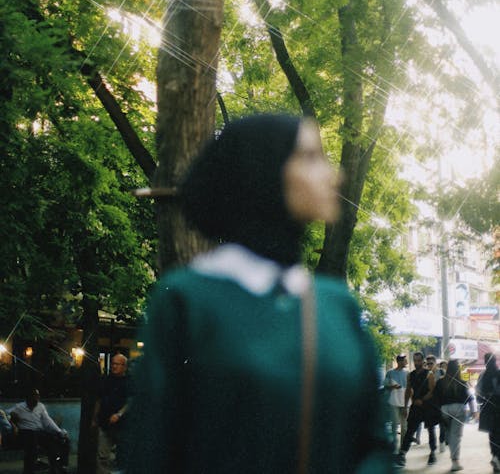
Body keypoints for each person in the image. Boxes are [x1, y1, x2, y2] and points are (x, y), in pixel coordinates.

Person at [125, 114, 393, 474]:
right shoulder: (186, 300)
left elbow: (374, 445)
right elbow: (152, 452)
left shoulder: (336, 303)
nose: (335, 174)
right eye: (312, 157)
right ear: (264, 168)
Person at [9, 389, 69, 474]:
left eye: (38, 396)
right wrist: (13, 423)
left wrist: (59, 432)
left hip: (39, 432)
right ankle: (34, 464)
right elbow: (6, 415)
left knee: (58, 440)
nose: (37, 398)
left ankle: (58, 466)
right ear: (28, 398)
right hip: (25, 433)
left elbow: (48, 421)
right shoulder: (19, 407)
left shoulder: (40, 406)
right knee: (32, 437)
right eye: (34, 396)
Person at [395, 351, 437, 468]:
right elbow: (408, 391)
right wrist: (405, 406)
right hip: (415, 406)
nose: (416, 363)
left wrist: (422, 400)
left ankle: (432, 453)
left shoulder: (429, 374)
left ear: (422, 361)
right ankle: (402, 454)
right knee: (410, 430)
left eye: (419, 360)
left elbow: (432, 391)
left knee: (431, 430)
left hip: (427, 405)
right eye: (415, 360)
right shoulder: (411, 375)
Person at [433, 359, 476, 471]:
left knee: (449, 433)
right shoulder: (462, 381)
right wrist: (474, 411)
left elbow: (435, 398)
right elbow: (470, 398)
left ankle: (448, 442)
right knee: (456, 436)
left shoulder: (441, 382)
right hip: (459, 409)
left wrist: (439, 411)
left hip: (445, 410)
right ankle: (455, 461)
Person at [92, 353, 129, 474]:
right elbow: (99, 399)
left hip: (122, 425)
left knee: (123, 456)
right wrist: (94, 418)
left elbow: (131, 401)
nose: (114, 366)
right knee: (102, 457)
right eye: (113, 363)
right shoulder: (105, 380)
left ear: (124, 366)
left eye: (117, 364)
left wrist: (119, 414)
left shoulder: (129, 381)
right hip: (104, 423)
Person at [477, 353, 500, 472]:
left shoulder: (482, 375)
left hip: (488, 409)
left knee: (492, 434)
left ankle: (495, 455)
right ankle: (497, 457)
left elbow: (478, 394)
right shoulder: (499, 373)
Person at [384, 354, 408, 452]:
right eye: (404, 360)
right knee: (394, 424)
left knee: (405, 425)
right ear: (399, 362)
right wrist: (392, 387)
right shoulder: (390, 373)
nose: (406, 362)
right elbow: (385, 385)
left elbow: (410, 388)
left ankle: (403, 447)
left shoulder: (407, 373)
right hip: (393, 401)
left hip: (405, 402)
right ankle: (394, 445)